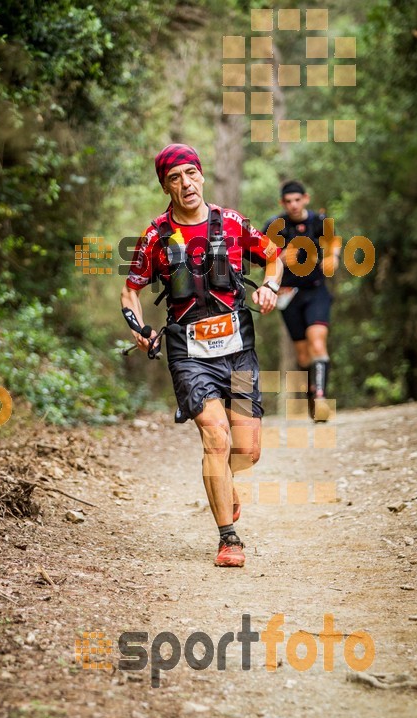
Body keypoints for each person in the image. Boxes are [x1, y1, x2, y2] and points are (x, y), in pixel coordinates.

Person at [120, 143, 283, 568]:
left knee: (246, 450)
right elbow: (131, 291)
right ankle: (228, 539)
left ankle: (225, 485)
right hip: (188, 353)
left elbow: (273, 256)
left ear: (202, 175)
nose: (185, 184)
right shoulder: (155, 236)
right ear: (165, 186)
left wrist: (269, 286)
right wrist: (140, 329)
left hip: (238, 349)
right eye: (174, 178)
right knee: (216, 434)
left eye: (190, 174)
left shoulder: (230, 223)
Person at [263, 180, 340, 422]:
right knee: (304, 355)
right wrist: (281, 258)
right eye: (288, 202)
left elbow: (333, 242)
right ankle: (310, 394)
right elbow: (263, 258)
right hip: (288, 294)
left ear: (305, 198)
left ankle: (320, 398)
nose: (294, 205)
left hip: (315, 291)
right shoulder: (275, 226)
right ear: (282, 203)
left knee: (318, 342)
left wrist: (334, 257)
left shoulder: (318, 221)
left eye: (297, 200)